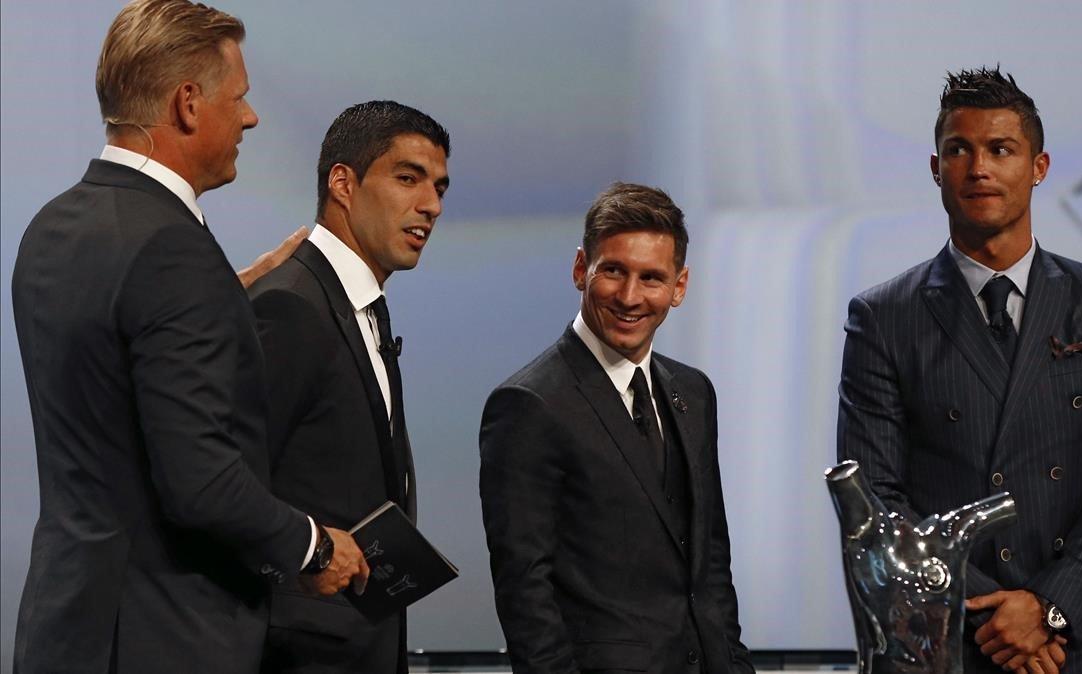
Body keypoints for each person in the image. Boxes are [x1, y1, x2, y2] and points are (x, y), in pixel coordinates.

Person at [10, 2, 369, 672]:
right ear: (188, 103)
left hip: (66, 630)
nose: (251, 118)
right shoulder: (172, 251)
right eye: (240, 97)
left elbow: (113, 368)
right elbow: (200, 483)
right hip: (165, 637)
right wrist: (314, 546)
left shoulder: (54, 226)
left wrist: (217, 299)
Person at [836, 66, 1082, 674]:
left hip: (1077, 640)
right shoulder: (883, 316)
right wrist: (996, 617)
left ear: (1038, 167)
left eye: (1001, 149)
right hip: (949, 641)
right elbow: (878, 501)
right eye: (959, 150)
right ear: (936, 169)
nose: (978, 167)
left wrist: (1048, 608)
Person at [479, 183, 755, 674]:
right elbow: (524, 593)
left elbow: (711, 563)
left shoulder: (694, 393)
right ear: (580, 268)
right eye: (613, 271)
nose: (630, 297)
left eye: (651, 278)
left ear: (679, 286)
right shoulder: (529, 404)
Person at [249, 101, 450, 673]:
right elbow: (228, 483)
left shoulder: (359, 308)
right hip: (299, 651)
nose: (431, 205)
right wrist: (310, 556)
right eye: (408, 178)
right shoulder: (290, 304)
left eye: (439, 187)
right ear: (343, 183)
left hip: (358, 645)